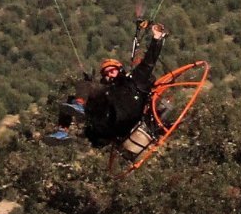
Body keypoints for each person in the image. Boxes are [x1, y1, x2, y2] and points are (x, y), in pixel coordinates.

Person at [47, 22, 167, 153]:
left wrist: (157, 39)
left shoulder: (134, 80)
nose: (110, 74)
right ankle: (62, 131)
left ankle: (80, 107)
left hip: (127, 113)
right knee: (73, 97)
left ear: (119, 70)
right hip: (111, 124)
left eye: (112, 71)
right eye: (106, 73)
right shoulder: (106, 92)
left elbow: (149, 61)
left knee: (87, 87)